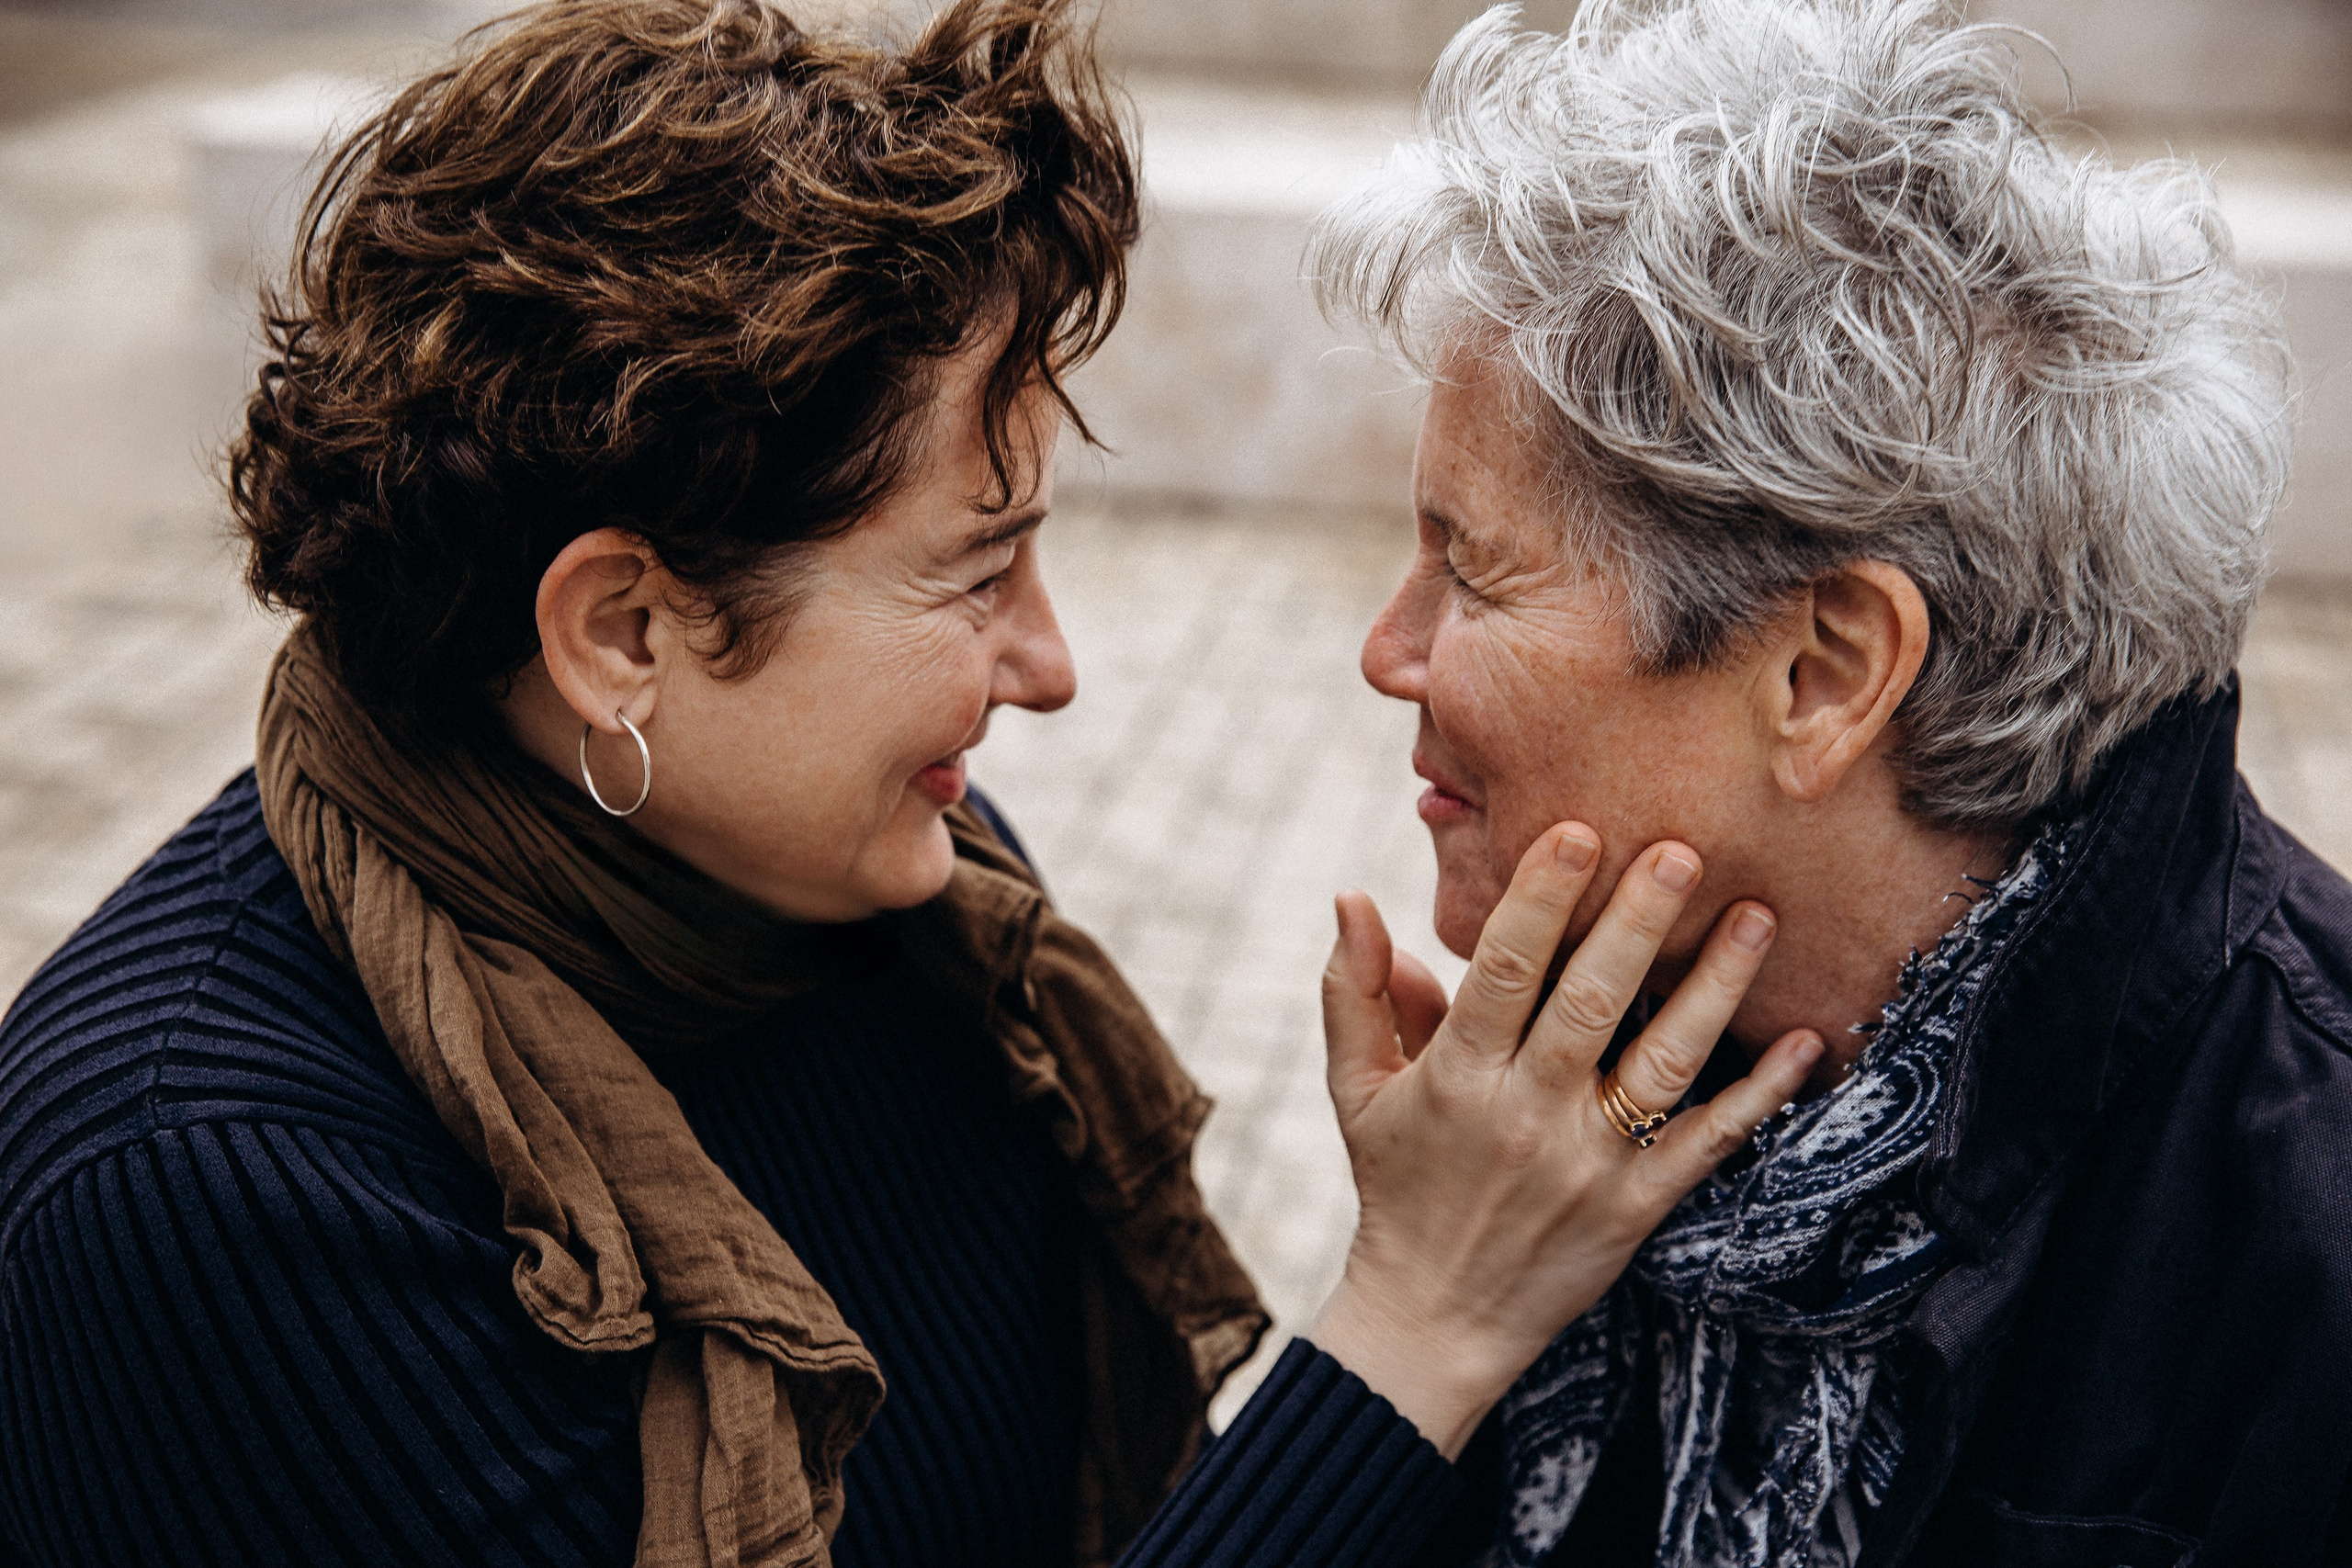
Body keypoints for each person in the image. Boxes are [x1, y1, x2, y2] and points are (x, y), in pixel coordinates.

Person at [0, 2, 1824, 1566]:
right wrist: (1415, 1323)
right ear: (623, 630)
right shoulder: (201, 1203)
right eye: (974, 570)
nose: (1047, 666)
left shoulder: (894, 899)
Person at [1308, 0, 2352, 1564]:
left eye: (1474, 571)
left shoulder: (2309, 1249)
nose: (1392, 652)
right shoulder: (1559, 1087)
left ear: (1827, 674)